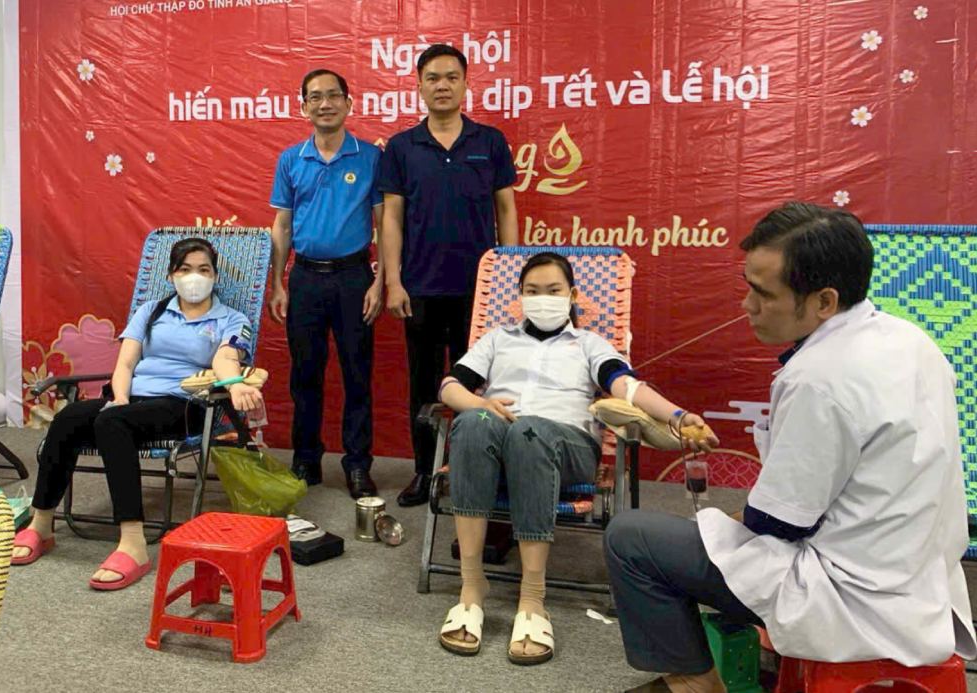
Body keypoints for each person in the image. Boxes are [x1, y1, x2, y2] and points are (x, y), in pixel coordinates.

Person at [604, 203, 977, 693]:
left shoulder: (819, 378)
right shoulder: (911, 342)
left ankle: (694, 685)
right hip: (917, 579)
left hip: (848, 597)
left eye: (763, 294)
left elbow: (778, 522)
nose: (747, 306)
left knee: (632, 537)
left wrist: (720, 530)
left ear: (824, 301)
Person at [436, 252, 718, 665]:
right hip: (497, 441)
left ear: (572, 295)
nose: (543, 299)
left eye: (553, 291)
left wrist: (677, 415)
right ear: (519, 296)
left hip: (565, 447)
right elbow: (448, 387)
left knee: (530, 431)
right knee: (474, 422)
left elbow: (626, 387)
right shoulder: (498, 339)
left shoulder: (589, 344)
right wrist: (479, 402)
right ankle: (472, 585)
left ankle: (532, 597)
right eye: (532, 291)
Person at [11, 238, 262, 590]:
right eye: (186, 269)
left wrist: (235, 385)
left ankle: (133, 543)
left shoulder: (231, 319)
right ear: (172, 274)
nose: (195, 277)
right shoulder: (152, 311)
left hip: (182, 404)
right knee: (69, 419)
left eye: (204, 270)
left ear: (215, 276)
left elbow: (225, 359)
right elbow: (126, 362)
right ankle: (41, 524)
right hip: (134, 400)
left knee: (112, 422)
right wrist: (122, 399)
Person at [377, 43, 519, 507]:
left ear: (465, 83)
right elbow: (391, 218)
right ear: (418, 85)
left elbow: (506, 208)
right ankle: (423, 471)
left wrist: (509, 272)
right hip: (419, 286)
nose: (442, 85)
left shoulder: (490, 141)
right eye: (433, 77)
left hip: (479, 292)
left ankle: (468, 472)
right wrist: (394, 280)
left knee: (477, 385)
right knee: (423, 384)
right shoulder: (401, 147)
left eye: (451, 77)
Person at [269, 68, 384, 500]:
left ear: (349, 103)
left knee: (358, 374)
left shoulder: (371, 157)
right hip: (305, 279)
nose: (325, 103)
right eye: (315, 97)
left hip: (355, 277)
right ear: (303, 107)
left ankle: (357, 463)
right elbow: (281, 225)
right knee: (305, 375)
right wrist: (278, 284)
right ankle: (306, 459)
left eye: (333, 95)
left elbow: (383, 222)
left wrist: (381, 281)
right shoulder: (291, 159)